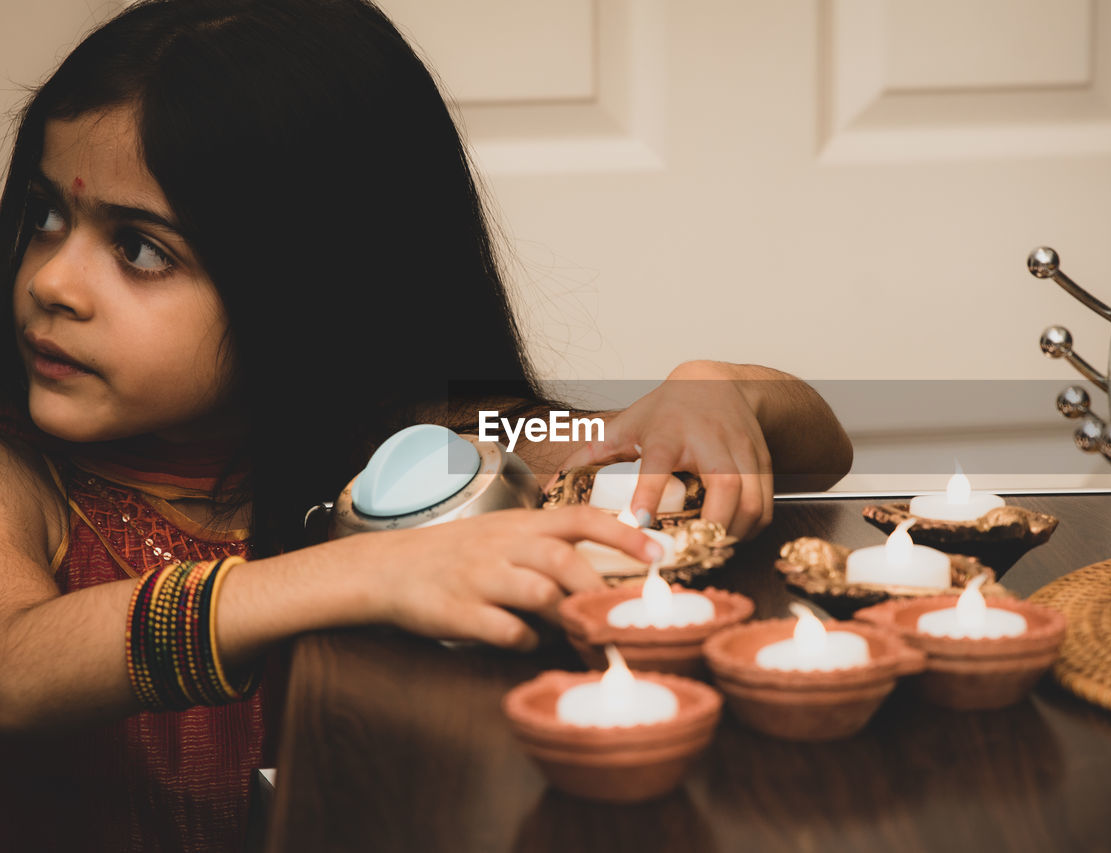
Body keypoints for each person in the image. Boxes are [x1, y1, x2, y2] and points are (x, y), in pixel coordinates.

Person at [0, 0, 852, 849]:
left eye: (140, 249)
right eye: (45, 216)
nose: (52, 282)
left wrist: (719, 389)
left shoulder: (407, 444)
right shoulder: (24, 472)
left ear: (313, 279)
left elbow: (817, 450)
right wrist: (366, 571)